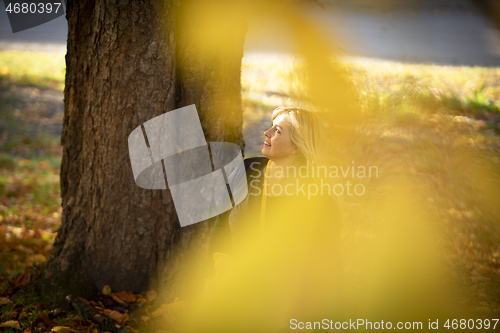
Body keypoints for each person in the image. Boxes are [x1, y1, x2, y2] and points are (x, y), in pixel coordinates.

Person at [200, 106, 344, 332]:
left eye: (277, 130)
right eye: (270, 127)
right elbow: (220, 228)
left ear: (297, 147)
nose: (266, 133)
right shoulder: (247, 170)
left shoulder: (320, 205)